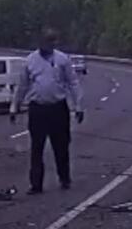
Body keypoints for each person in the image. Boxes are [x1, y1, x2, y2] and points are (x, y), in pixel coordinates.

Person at [10, 29, 84, 194]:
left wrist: (78, 107)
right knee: (37, 147)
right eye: (48, 42)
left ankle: (64, 178)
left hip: (58, 107)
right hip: (38, 108)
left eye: (53, 42)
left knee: (61, 146)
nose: (51, 45)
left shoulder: (62, 59)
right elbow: (22, 85)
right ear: (41, 43)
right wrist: (15, 106)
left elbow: (73, 83)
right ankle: (36, 184)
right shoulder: (30, 61)